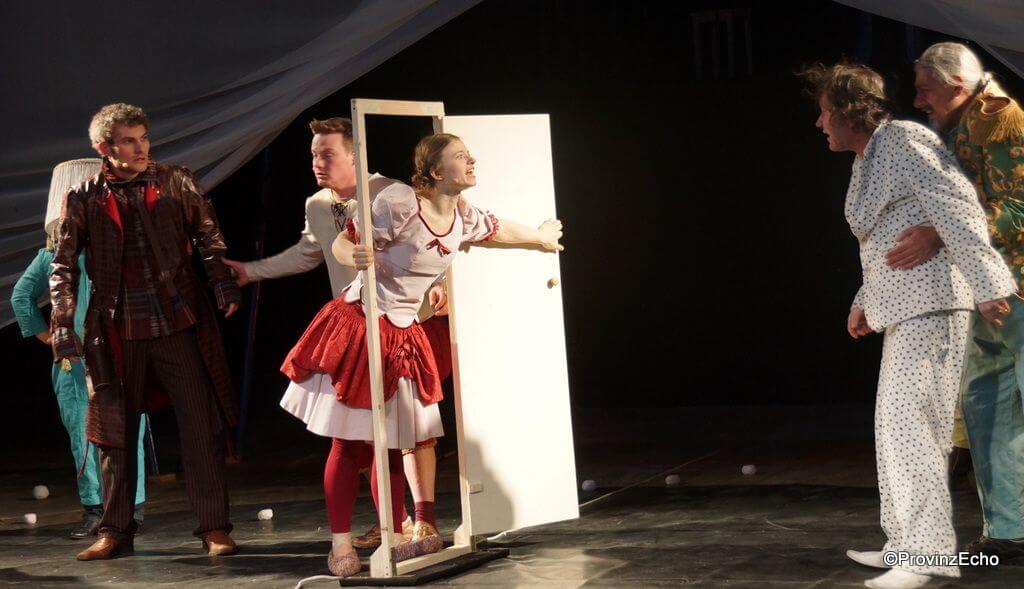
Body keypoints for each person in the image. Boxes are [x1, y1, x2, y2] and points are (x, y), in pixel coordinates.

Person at [278, 132, 563, 576]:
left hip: (404, 332)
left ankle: (396, 536)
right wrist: (353, 255)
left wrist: (540, 239)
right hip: (363, 324)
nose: (472, 160)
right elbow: (344, 241)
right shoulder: (399, 202)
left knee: (394, 442)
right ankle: (340, 544)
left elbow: (498, 230)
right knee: (349, 441)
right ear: (434, 171)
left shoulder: (461, 214)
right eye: (460, 156)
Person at [802, 63, 1016, 589]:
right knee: (894, 429)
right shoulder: (868, 158)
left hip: (934, 304)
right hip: (901, 306)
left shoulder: (902, 139)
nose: (819, 123)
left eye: (824, 112)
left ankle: (928, 554)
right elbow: (885, 237)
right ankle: (904, 542)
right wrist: (863, 298)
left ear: (849, 111)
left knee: (914, 429)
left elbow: (959, 205)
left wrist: (989, 285)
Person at [221, 116, 445, 547]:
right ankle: (392, 525)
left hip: (404, 327)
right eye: (313, 155)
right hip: (355, 330)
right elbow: (310, 251)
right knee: (360, 438)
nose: (317, 163)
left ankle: (417, 522)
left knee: (409, 434)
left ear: (355, 155)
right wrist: (251, 271)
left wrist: (441, 285)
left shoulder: (392, 194)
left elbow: (430, 242)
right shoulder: (318, 204)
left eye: (327, 154)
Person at [50, 103, 241, 561]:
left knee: (200, 427)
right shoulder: (84, 196)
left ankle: (214, 526)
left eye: (143, 139)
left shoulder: (176, 180)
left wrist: (222, 283)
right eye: (128, 141)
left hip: (177, 321)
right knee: (115, 434)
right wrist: (62, 327)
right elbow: (62, 266)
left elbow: (208, 237)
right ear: (105, 148)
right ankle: (115, 530)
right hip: (116, 331)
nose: (140, 149)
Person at [882, 42, 1024, 559]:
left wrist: (941, 233)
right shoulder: (955, 126)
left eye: (926, 90)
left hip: (1018, 285)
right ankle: (1009, 529)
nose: (918, 101)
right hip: (983, 293)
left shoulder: (1002, 121)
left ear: (957, 86)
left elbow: (1018, 207)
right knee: (986, 410)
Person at [11, 217, 147, 539]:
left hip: (118, 353)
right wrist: (50, 338)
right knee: (83, 434)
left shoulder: (117, 247)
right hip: (75, 362)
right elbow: (21, 295)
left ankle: (130, 508)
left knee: (128, 428)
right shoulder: (53, 254)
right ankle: (97, 509)